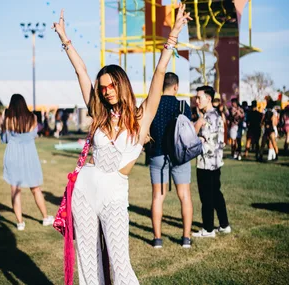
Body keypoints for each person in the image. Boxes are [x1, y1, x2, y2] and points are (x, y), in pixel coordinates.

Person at [52, 5, 192, 284]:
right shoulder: (99, 114)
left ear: (121, 84)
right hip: (85, 189)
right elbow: (82, 73)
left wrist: (173, 35)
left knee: (120, 263)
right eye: (103, 87)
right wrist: (65, 39)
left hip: (115, 192)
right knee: (88, 263)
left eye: (111, 85)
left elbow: (158, 74)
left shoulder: (141, 118)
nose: (106, 91)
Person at [149, 72, 193, 249]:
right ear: (176, 86)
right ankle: (186, 238)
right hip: (180, 155)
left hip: (157, 154)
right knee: (184, 196)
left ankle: (158, 239)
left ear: (162, 86)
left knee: (158, 198)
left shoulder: (153, 104)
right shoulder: (183, 105)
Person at [2, 94, 54, 230]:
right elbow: (34, 135)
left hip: (13, 157)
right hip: (30, 157)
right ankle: (45, 217)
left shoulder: (8, 120)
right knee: (36, 189)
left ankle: (20, 223)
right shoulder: (33, 118)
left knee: (15, 190)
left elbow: (4, 139)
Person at [193, 86, 231, 238]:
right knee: (216, 194)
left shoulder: (207, 118)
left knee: (206, 196)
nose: (196, 101)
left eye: (199, 98)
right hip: (216, 162)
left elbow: (204, 141)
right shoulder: (217, 114)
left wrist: (196, 138)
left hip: (206, 163)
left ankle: (208, 229)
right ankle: (224, 224)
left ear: (208, 99)